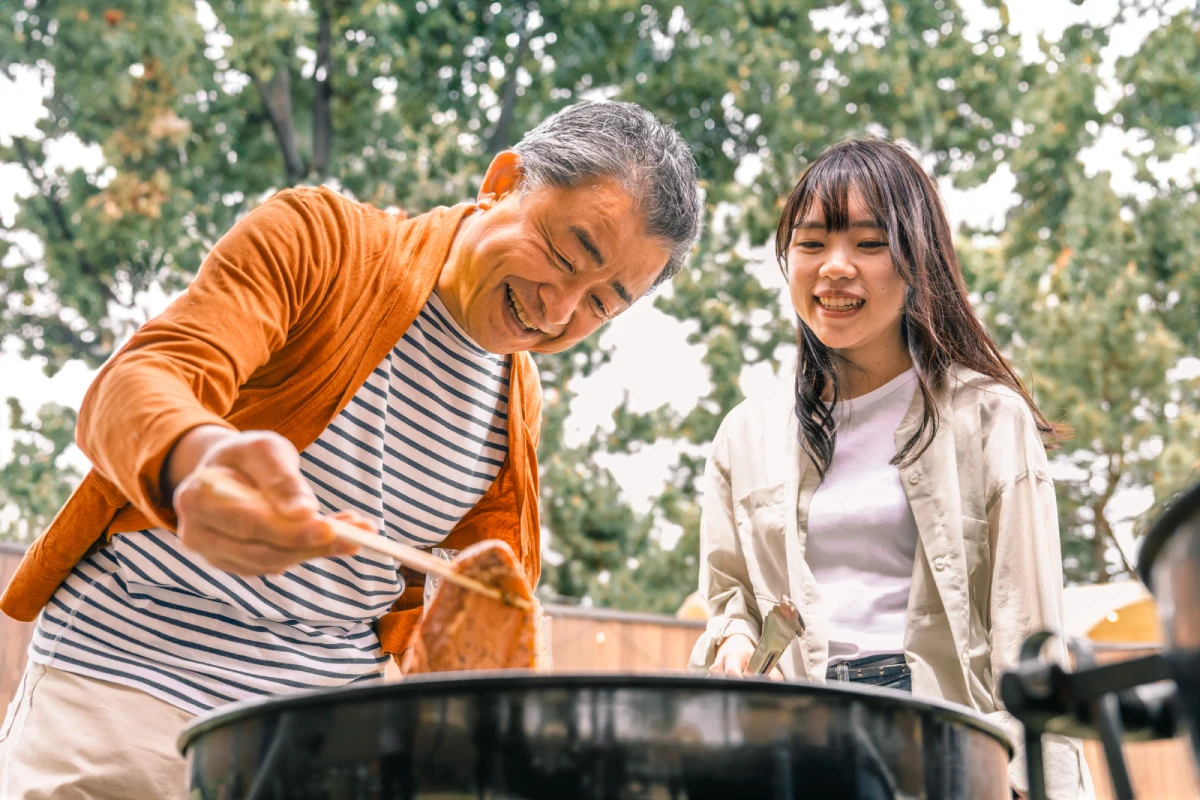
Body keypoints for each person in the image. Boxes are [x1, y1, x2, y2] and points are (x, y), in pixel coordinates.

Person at [0, 100, 702, 799]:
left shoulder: (518, 406)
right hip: (121, 697)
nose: (558, 310)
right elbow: (140, 380)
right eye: (563, 253)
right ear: (504, 181)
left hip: (315, 752)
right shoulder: (321, 240)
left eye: (602, 303)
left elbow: (457, 613)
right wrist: (199, 460)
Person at [687, 138, 1092, 799]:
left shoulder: (990, 418)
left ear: (917, 260)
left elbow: (1030, 627)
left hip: (940, 736)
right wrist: (734, 643)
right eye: (811, 243)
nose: (834, 268)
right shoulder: (744, 434)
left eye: (870, 244)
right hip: (795, 745)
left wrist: (1032, 775)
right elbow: (729, 598)